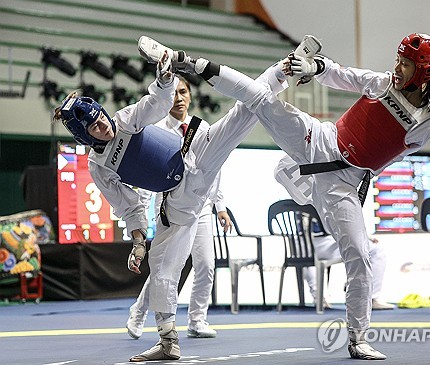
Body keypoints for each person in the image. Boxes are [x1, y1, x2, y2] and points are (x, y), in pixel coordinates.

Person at [144, 32, 430, 360]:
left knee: (359, 255)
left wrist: (363, 178)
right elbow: (342, 75)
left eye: (405, 64)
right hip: (320, 141)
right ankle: (188, 61)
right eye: (398, 60)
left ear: (425, 73)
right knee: (259, 99)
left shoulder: (427, 121)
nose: (397, 68)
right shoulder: (382, 82)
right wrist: (314, 67)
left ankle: (358, 338)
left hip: (344, 184)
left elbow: (393, 153)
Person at [54, 39, 290, 362]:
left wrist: (165, 78)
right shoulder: (99, 167)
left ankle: (282, 70)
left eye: (100, 117)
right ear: (85, 137)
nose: (103, 125)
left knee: (244, 113)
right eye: (95, 126)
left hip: (195, 150)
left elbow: (156, 102)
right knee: (161, 267)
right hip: (180, 198)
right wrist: (138, 242)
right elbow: (128, 206)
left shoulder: (123, 119)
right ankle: (168, 341)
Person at [126, 76, 232, 340]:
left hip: (202, 205)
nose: (178, 98)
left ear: (190, 95)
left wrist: (220, 205)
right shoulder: (154, 130)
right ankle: (139, 310)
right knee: (167, 266)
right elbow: (145, 175)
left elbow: (214, 168)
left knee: (207, 264)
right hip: (170, 205)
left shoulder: (201, 126)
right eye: (173, 94)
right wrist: (142, 213)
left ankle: (197, 320)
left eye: (183, 92)